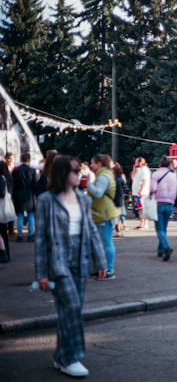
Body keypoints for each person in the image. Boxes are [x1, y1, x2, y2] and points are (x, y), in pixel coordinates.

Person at [35, 155, 107, 377]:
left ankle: (60, 355)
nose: (80, 174)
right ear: (62, 174)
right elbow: (41, 239)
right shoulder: (47, 199)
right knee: (73, 308)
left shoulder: (83, 199)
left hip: (81, 257)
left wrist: (101, 261)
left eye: (79, 170)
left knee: (68, 312)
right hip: (59, 260)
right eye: (75, 171)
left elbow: (92, 232)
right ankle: (71, 358)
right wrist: (42, 274)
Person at [86, 154, 120, 280]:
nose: (91, 165)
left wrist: (88, 183)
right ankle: (102, 269)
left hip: (104, 214)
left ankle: (109, 270)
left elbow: (98, 193)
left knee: (105, 243)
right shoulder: (106, 175)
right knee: (102, 243)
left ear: (99, 164)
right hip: (104, 213)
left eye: (92, 163)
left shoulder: (103, 177)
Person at [150, 156, 177, 261]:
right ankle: (160, 250)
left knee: (159, 228)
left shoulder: (155, 174)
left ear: (159, 165)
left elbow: (153, 188)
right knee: (164, 228)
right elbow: (176, 189)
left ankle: (166, 247)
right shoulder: (173, 175)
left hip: (158, 203)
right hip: (170, 203)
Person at [12, 152, 37, 242]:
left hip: (19, 195)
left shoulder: (16, 171)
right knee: (31, 216)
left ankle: (20, 235)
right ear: (29, 160)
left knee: (20, 216)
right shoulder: (33, 171)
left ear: (21, 159)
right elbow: (35, 184)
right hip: (30, 196)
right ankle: (30, 235)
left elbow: (13, 184)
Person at [131, 157, 151, 229]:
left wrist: (141, 190)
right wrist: (134, 169)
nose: (135, 163)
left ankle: (145, 223)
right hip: (136, 192)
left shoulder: (144, 170)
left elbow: (144, 180)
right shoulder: (139, 170)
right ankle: (141, 222)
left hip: (142, 193)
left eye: (136, 162)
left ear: (140, 162)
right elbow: (132, 177)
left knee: (143, 208)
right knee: (140, 209)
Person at [0, 160, 13, 262]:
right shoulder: (7, 178)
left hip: (1, 206)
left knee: (2, 231)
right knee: (3, 231)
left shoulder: (1, 179)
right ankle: (5, 253)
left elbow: (1, 193)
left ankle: (4, 253)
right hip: (4, 207)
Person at [112, 162, 128, 236]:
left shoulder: (117, 180)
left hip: (117, 200)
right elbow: (123, 189)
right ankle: (118, 231)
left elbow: (118, 191)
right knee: (119, 216)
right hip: (120, 199)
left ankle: (117, 231)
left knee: (116, 216)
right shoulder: (121, 179)